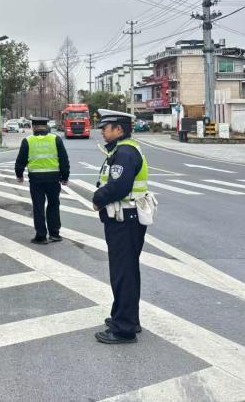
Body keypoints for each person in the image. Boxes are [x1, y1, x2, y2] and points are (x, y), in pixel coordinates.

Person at [92, 109, 149, 344]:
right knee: (127, 272)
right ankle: (127, 318)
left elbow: (119, 186)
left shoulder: (124, 153)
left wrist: (98, 198)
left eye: (106, 128)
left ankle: (123, 329)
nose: (102, 132)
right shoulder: (122, 150)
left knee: (123, 273)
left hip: (124, 220)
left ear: (119, 129)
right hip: (127, 219)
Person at [14, 116, 70, 244]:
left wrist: (19, 175)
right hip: (53, 178)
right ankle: (55, 234)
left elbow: (20, 160)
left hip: (36, 180)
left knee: (38, 206)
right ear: (46, 127)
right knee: (54, 205)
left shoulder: (28, 141)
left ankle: (41, 236)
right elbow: (64, 159)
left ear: (33, 127)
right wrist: (65, 177)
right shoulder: (55, 139)